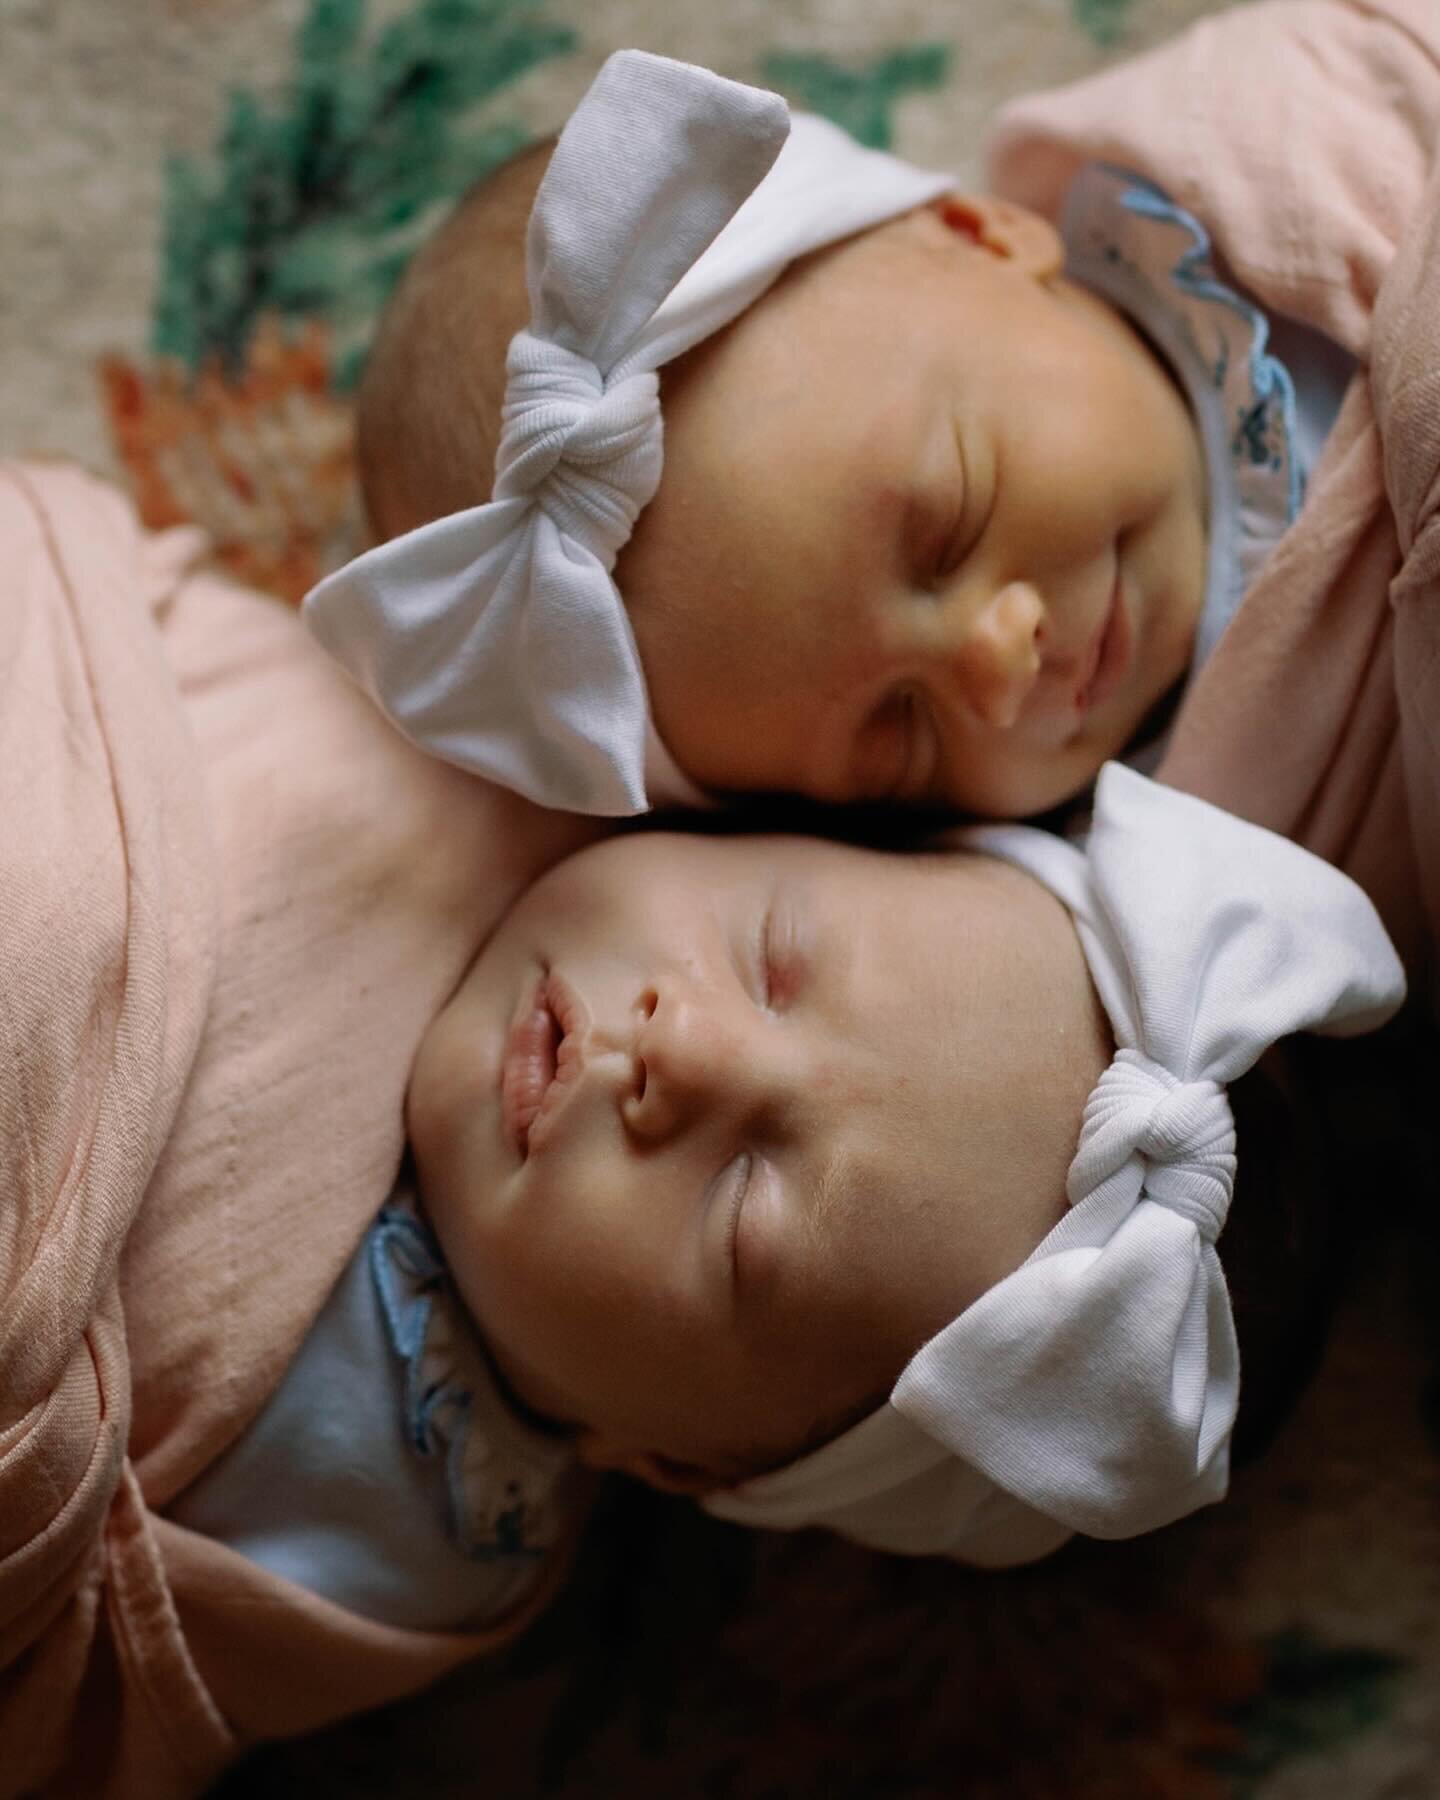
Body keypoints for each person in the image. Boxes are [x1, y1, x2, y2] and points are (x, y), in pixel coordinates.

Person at [304, 5, 1440, 1004]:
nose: (999, 669)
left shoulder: (1254, 141)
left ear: (981, 234)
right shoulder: (1177, 893)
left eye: (953, 514)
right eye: (901, 738)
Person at [405, 765, 1402, 1564]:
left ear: (676, 1458)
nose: (687, 1050)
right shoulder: (462, 758)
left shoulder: (397, 1571)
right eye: (771, 953)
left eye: (741, 1211)